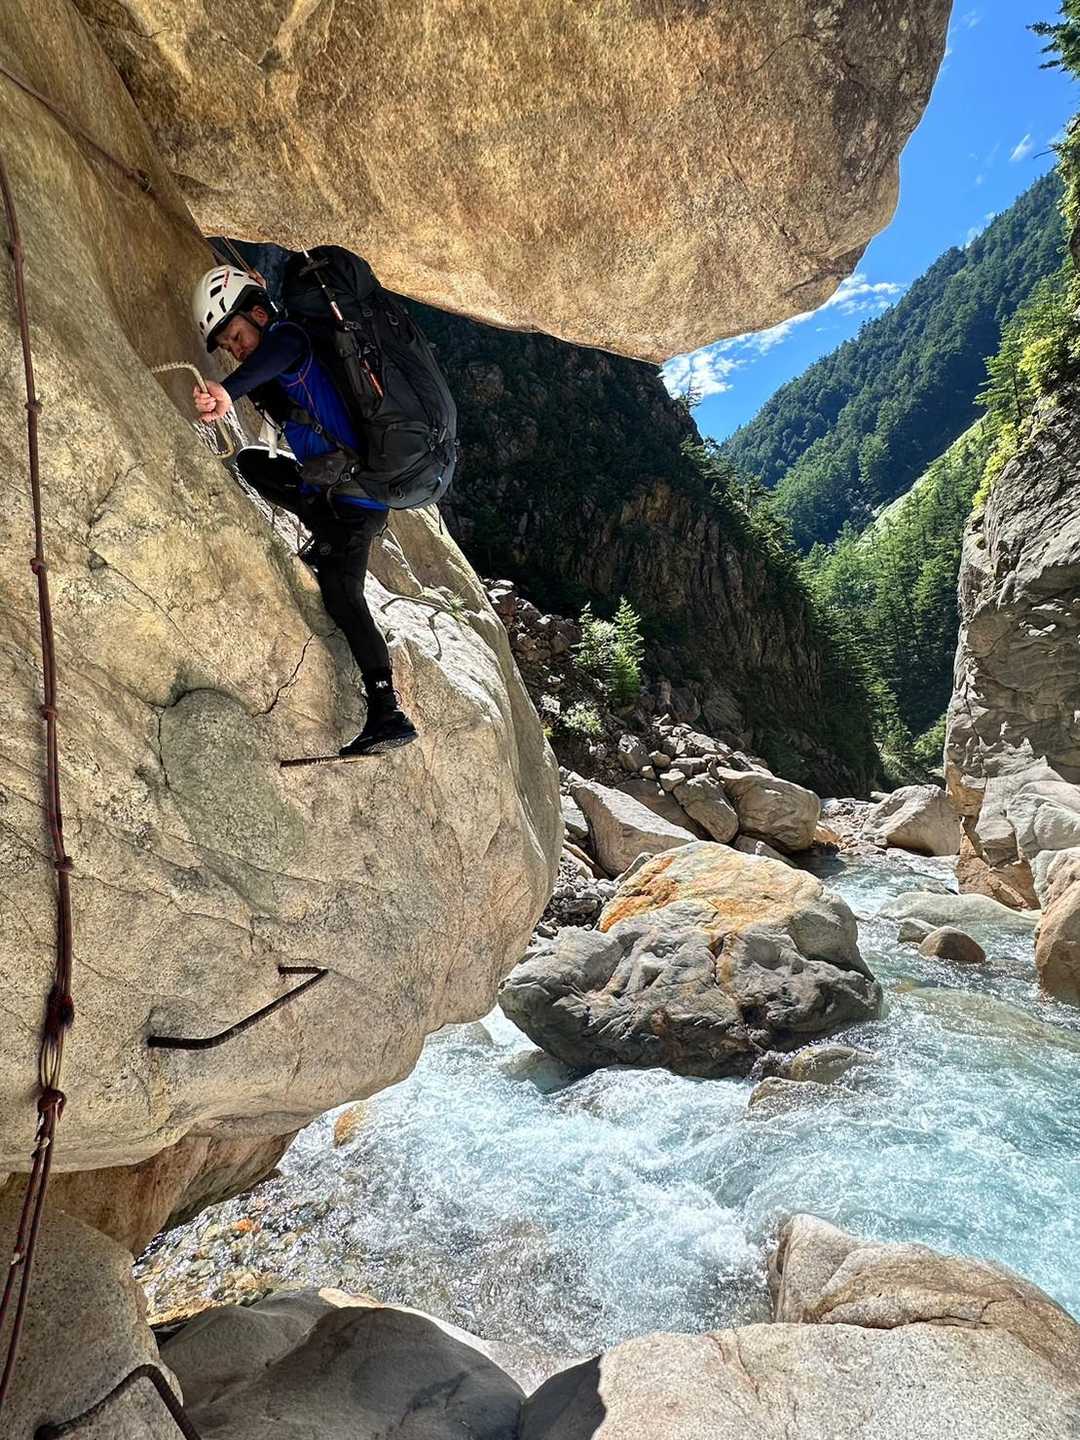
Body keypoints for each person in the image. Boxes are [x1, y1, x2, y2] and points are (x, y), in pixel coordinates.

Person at [190, 264, 417, 759]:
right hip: (331, 494)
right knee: (253, 463)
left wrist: (227, 389)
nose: (236, 350)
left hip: (356, 502)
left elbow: (276, 350)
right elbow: (267, 366)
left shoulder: (290, 338)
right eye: (228, 346)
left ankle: (388, 712)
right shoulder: (280, 349)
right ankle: (323, 536)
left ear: (257, 315)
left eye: (236, 337)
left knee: (342, 595)